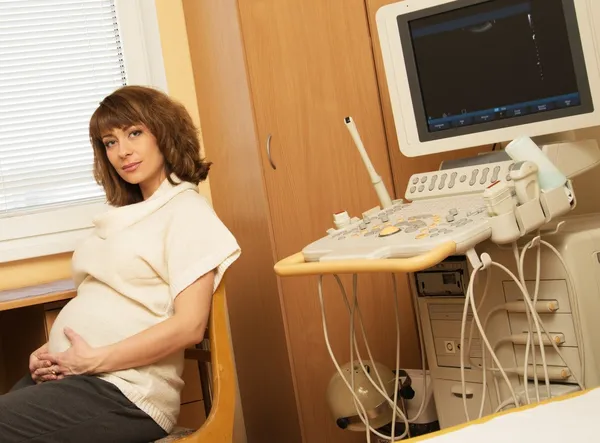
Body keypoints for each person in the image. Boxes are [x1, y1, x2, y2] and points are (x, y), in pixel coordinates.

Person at [0, 86, 241, 442]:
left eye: (134, 133)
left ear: (165, 132)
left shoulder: (186, 212)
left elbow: (190, 325)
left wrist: (91, 361)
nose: (122, 151)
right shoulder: (122, 218)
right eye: (109, 142)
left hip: (126, 394)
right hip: (81, 380)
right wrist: (52, 352)